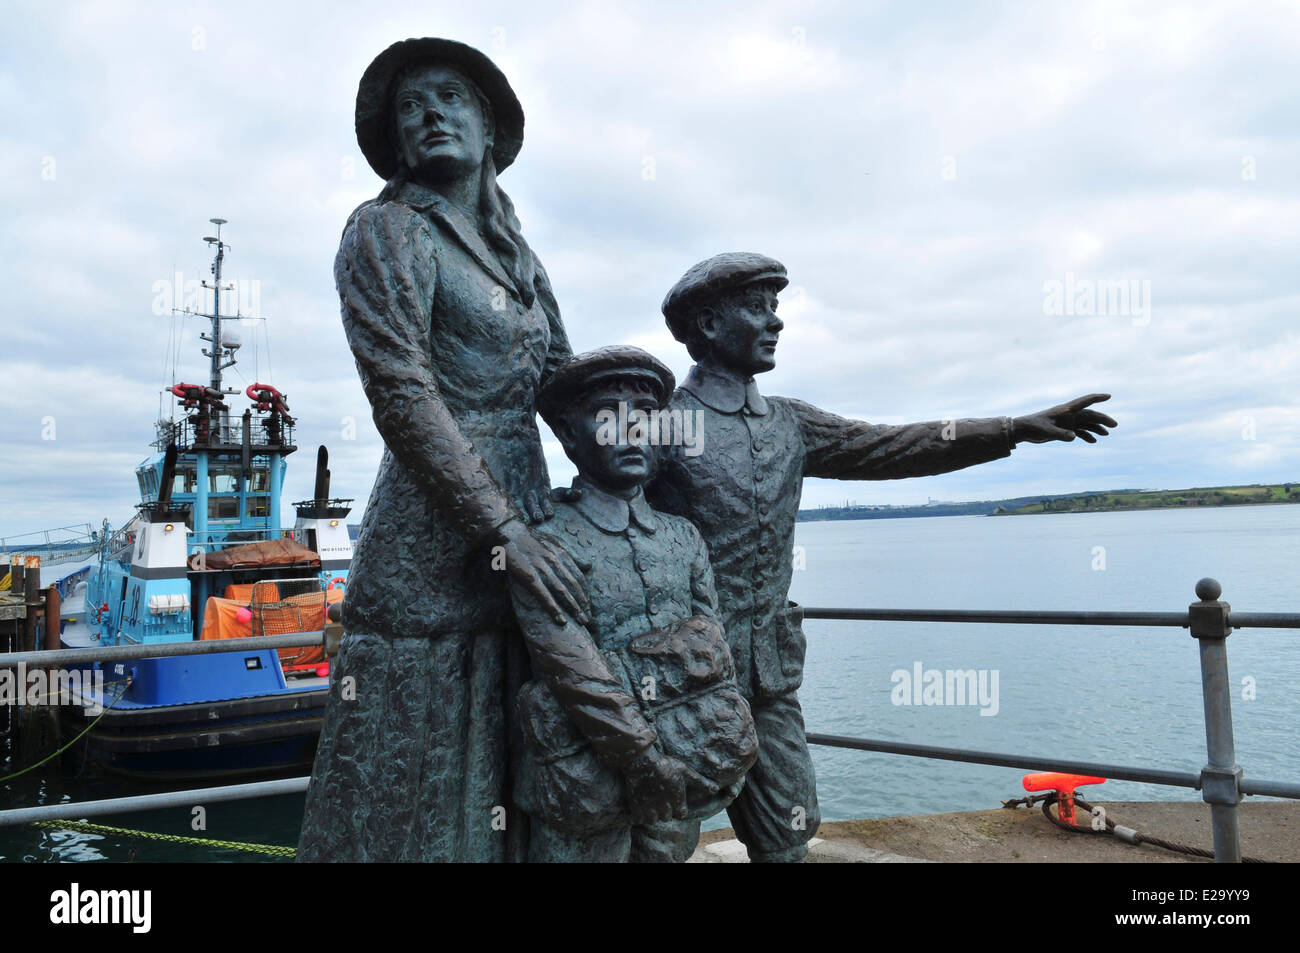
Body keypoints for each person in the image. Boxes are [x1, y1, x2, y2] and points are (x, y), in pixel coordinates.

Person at [647, 252, 1117, 862]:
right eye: (758, 308)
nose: (776, 322)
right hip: (689, 673)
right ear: (708, 323)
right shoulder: (662, 426)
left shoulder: (790, 423)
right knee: (665, 831)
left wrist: (1010, 428)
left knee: (789, 826)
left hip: (770, 672)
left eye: (776, 308)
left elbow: (893, 446)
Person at [297, 38, 589, 862]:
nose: (428, 113)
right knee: (411, 765)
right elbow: (402, 393)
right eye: (409, 107)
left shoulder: (521, 260)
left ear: (488, 126)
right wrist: (504, 533)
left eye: (449, 96)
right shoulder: (386, 230)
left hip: (528, 530)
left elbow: (566, 392)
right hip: (432, 549)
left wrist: (656, 453)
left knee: (508, 742)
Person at [510, 346, 757, 862]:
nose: (631, 433)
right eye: (607, 418)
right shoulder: (545, 540)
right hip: (582, 780)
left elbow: (714, 653)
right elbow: (568, 662)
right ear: (570, 435)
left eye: (646, 418)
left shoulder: (682, 537)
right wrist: (643, 758)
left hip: (682, 766)